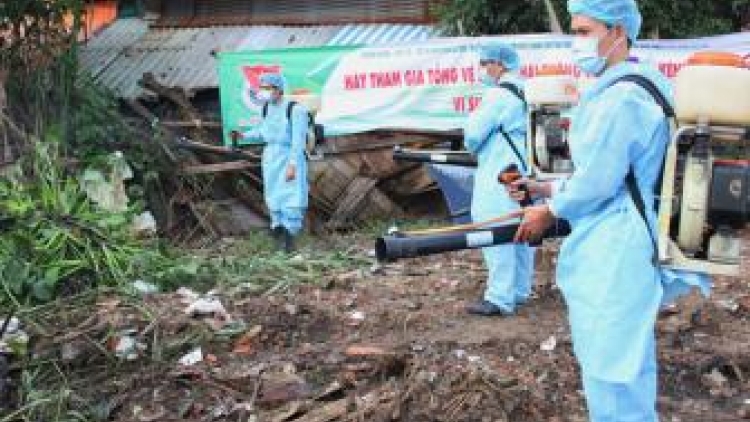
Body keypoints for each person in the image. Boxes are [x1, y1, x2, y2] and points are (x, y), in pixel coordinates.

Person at [512, 0, 709, 420]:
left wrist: (549, 209)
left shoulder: (622, 97)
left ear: (618, 32)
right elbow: (615, 174)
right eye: (575, 31)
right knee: (626, 356)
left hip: (616, 245)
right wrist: (547, 186)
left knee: (611, 363)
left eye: (585, 31)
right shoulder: (640, 85)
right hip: (623, 234)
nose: (576, 41)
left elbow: (598, 182)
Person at [462, 43, 535, 317]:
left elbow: (473, 135)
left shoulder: (497, 95)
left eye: (485, 63)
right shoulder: (525, 91)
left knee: (495, 228)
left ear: (499, 65)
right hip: (522, 169)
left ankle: (499, 298)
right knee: (522, 229)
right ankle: (519, 291)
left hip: (499, 170)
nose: (482, 69)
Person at [239, 72, 309, 253]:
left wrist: (293, 165)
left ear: (278, 89)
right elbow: (263, 131)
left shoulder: (295, 110)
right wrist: (244, 135)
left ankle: (291, 243)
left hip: (289, 157)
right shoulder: (266, 108)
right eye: (262, 88)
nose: (264, 92)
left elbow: (298, 141)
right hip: (271, 158)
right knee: (274, 197)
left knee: (291, 198)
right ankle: (279, 243)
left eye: (267, 88)